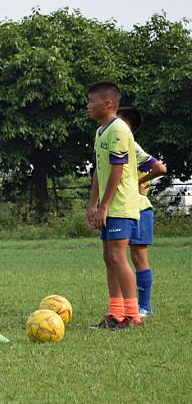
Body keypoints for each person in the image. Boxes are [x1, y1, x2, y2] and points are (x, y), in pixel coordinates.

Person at [85, 81, 143, 330]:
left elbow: (117, 170)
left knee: (118, 257)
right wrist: (93, 203)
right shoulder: (101, 132)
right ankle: (115, 314)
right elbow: (100, 169)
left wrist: (105, 205)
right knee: (109, 257)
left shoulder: (119, 129)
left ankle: (132, 315)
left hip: (120, 205)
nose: (87, 106)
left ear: (107, 103)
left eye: (90, 101)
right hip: (108, 205)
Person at [116, 107, 167, 318]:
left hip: (138, 207)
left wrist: (138, 182)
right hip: (119, 207)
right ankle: (121, 308)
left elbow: (160, 168)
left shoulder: (131, 145)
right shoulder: (112, 142)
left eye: (117, 120)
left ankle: (144, 307)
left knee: (137, 257)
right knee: (115, 257)